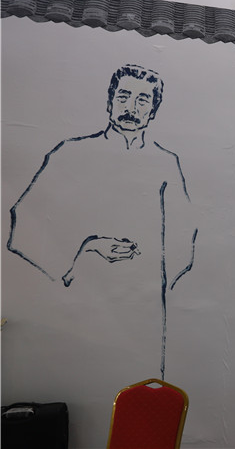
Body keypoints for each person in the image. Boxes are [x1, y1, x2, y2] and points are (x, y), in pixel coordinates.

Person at [7, 64, 198, 377]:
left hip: (144, 308)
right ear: (110, 102)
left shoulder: (166, 162)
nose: (131, 107)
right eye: (123, 96)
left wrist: (154, 273)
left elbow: (185, 233)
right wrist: (87, 248)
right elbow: (24, 220)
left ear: (153, 110)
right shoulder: (71, 153)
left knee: (141, 387)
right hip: (79, 298)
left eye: (142, 100)